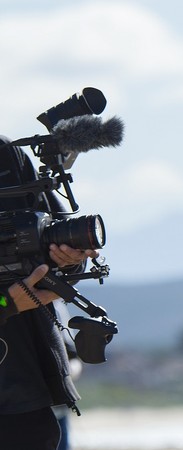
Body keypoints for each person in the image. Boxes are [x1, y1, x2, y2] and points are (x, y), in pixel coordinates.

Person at [0, 136, 98, 449]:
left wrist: (68, 259)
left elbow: (53, 238)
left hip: (21, 400)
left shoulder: (5, 155)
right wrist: (6, 304)